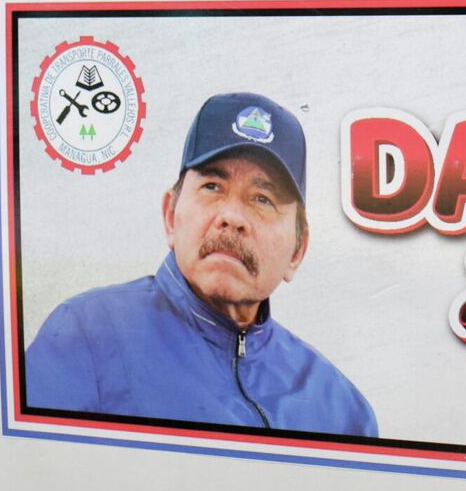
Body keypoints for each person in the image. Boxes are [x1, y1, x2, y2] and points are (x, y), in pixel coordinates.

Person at [26, 93, 376, 436]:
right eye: (212, 186)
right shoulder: (86, 337)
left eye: (262, 199)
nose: (232, 217)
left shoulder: (342, 413)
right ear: (170, 215)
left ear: (297, 250)